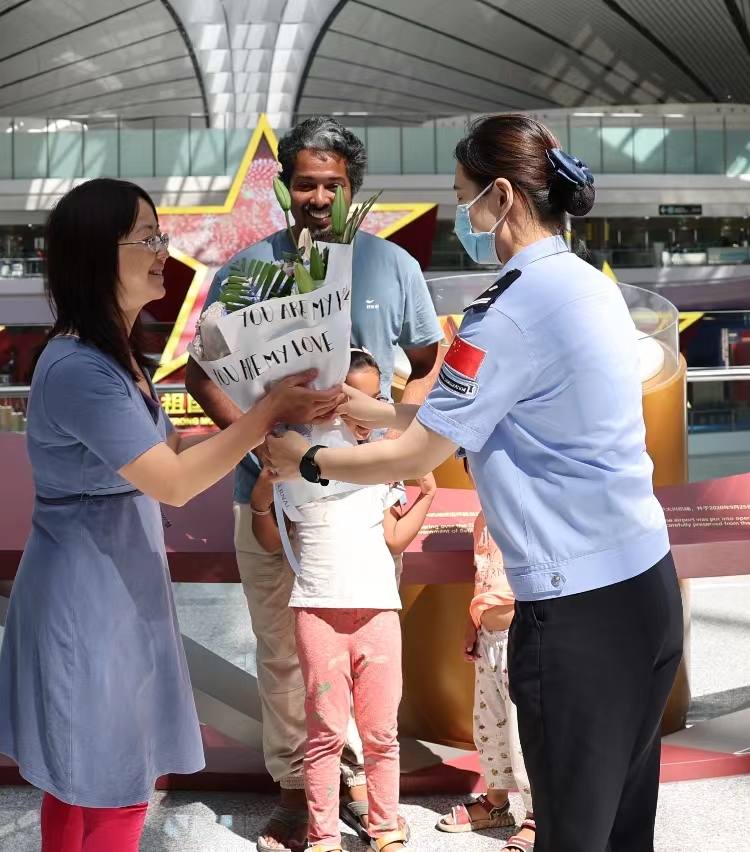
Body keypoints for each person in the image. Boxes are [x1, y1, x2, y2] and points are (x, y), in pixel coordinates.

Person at [266, 114, 684, 852]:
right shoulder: (589, 286)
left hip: (576, 613)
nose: (463, 216)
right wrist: (379, 410)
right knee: (624, 830)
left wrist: (308, 460)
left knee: (571, 835)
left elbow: (414, 456)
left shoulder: (503, 313)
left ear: (501, 196)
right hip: (646, 586)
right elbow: (511, 410)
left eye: (464, 199)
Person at [0, 178, 341, 852]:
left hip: (111, 584)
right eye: (147, 238)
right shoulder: (81, 369)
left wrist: (261, 415)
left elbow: (169, 452)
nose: (162, 252)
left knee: (79, 775)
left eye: (160, 236)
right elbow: (172, 483)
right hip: (89, 597)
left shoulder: (113, 357)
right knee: (115, 778)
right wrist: (266, 413)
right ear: (97, 254)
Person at [186, 116, 443, 851]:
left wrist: (396, 437)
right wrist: (259, 439)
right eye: (306, 183)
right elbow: (200, 374)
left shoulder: (393, 267)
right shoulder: (246, 272)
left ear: (353, 188)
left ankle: (357, 786)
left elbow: (429, 358)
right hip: (271, 501)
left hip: (363, 507)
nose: (320, 197)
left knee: (364, 657)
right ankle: (297, 790)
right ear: (284, 189)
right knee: (282, 652)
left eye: (333, 184)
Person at [249, 350, 435, 852]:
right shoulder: (294, 462)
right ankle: (324, 836)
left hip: (378, 613)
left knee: (381, 732)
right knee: (326, 733)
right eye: (351, 399)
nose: (363, 411)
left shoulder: (384, 463)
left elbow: (393, 539)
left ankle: (385, 829)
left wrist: (426, 496)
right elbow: (272, 540)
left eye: (375, 398)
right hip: (318, 613)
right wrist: (262, 500)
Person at [435, 455, 535, 851]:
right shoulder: (483, 520)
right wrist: (472, 620)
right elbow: (485, 579)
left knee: (523, 731)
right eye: (473, 464)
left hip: (521, 637)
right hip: (489, 640)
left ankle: (539, 813)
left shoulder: (527, 511)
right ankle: (496, 803)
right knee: (489, 725)